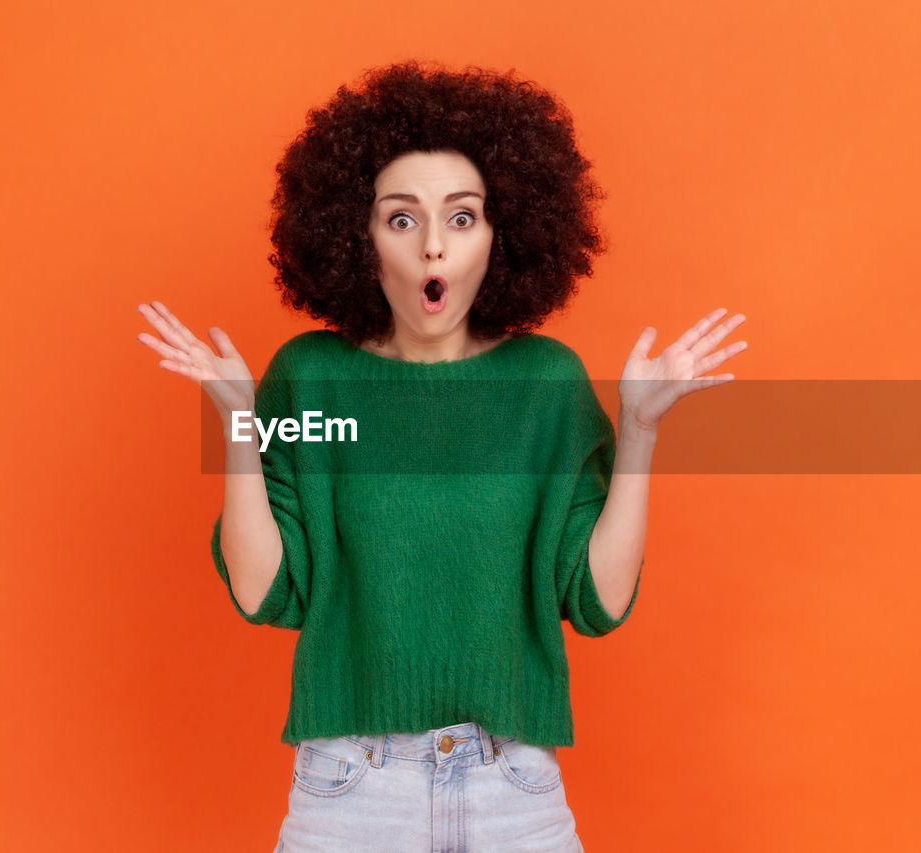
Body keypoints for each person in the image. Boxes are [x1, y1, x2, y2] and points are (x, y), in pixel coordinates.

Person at [136, 61, 746, 852]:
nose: (432, 247)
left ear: (502, 234)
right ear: (358, 237)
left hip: (514, 793)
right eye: (401, 219)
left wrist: (638, 431)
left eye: (462, 218)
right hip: (350, 791)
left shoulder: (545, 386)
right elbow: (264, 592)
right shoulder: (313, 382)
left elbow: (598, 603)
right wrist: (240, 423)